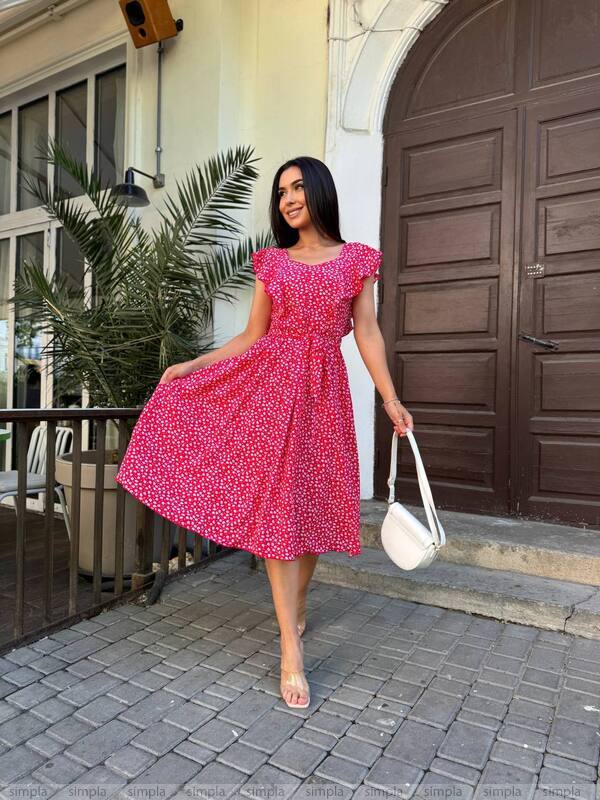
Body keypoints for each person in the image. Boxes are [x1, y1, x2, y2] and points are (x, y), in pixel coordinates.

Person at [114, 156, 413, 710]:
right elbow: (252, 336)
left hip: (325, 399)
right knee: (279, 513)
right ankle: (289, 647)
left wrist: (390, 399)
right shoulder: (272, 263)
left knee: (316, 509)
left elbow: (367, 333)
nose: (288, 199)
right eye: (280, 193)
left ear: (320, 190)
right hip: (269, 395)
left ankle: (297, 604)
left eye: (297, 188)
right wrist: (192, 365)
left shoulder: (356, 261)